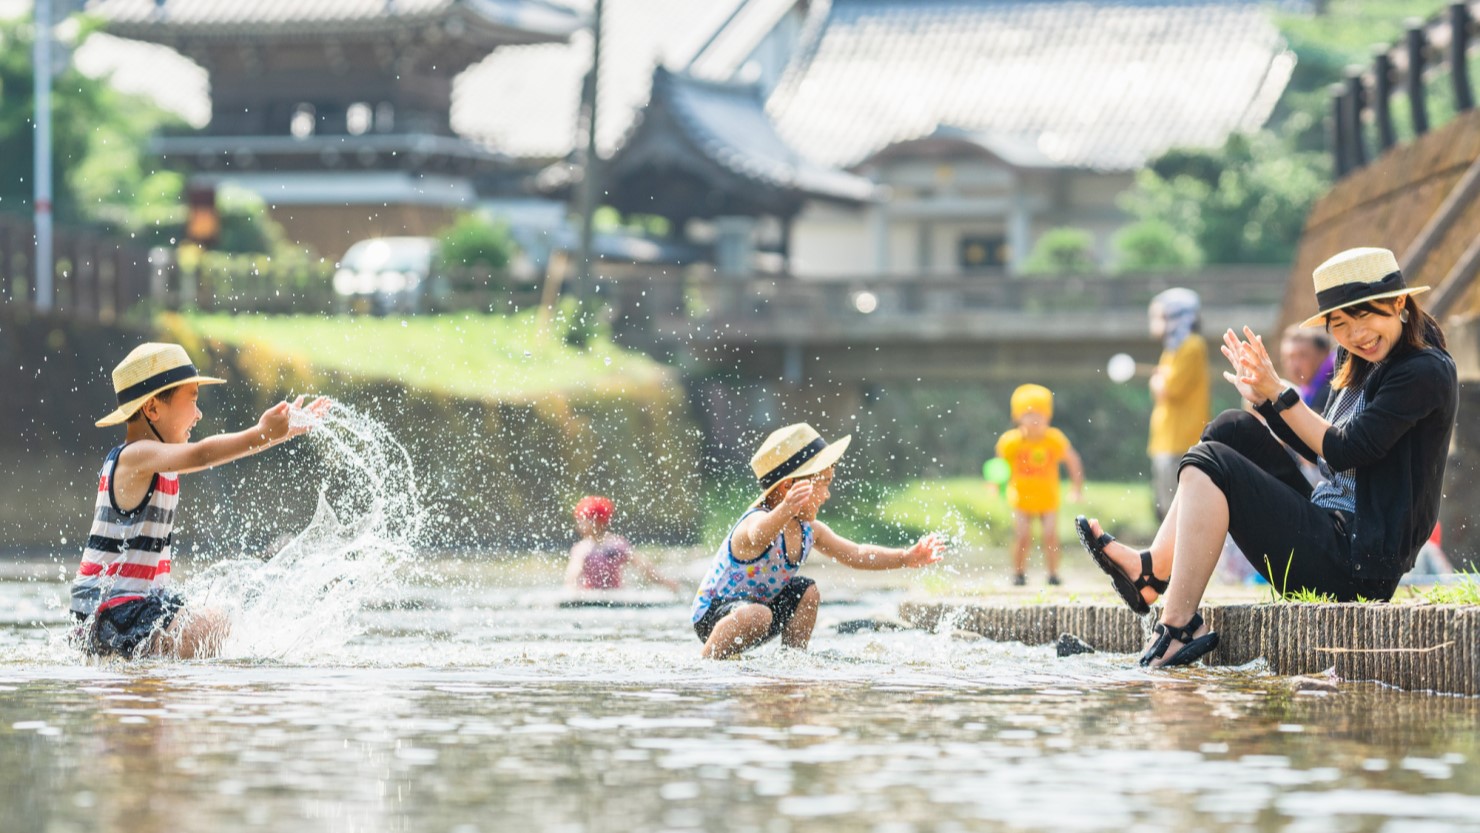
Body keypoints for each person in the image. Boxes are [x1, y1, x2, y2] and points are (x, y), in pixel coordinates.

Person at [1076, 247, 1456, 668]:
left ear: (1399, 303)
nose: (1356, 335)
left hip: (1357, 565)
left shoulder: (1424, 370)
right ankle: (1152, 571)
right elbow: (1319, 449)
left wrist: (1280, 392)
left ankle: (1180, 624)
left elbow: (1350, 448)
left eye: (1366, 317)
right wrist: (1265, 402)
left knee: (1214, 463)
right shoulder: (1357, 359)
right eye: (1341, 325)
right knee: (1230, 428)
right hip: (1327, 524)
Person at [71, 342, 331, 659]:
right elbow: (203, 453)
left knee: (215, 623)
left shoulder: (155, 461)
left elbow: (203, 456)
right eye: (192, 400)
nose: (198, 413)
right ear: (152, 409)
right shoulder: (135, 455)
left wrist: (280, 434)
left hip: (135, 604)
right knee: (210, 627)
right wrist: (262, 432)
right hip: (111, 610)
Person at [692, 423, 945, 659]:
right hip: (716, 616)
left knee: (807, 592)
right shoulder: (756, 521)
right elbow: (758, 535)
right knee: (759, 614)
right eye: (823, 484)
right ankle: (705, 666)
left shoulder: (809, 530)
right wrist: (786, 509)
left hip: (761, 613)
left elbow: (856, 553)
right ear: (787, 488)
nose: (827, 495)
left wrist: (905, 558)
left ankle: (793, 660)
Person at [995, 384, 1085, 586]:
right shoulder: (1010, 442)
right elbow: (998, 466)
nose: (1035, 419)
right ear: (1017, 416)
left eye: (1040, 414)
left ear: (1048, 416)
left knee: (1050, 535)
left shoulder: (1054, 439)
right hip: (1020, 497)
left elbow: (1073, 461)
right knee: (1022, 535)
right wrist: (996, 485)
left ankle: (1053, 574)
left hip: (1048, 497)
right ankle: (1018, 573)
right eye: (1028, 414)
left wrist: (1076, 488)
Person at [1146, 288, 1212, 522]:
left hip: (1181, 441)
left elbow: (1168, 389)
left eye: (1161, 316)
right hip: (1167, 440)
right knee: (1166, 509)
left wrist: (1156, 380)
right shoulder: (1173, 349)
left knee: (1177, 512)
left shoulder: (1191, 346)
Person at [563, 495, 680, 592]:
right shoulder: (582, 549)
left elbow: (644, 567)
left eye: (583, 521)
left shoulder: (617, 546)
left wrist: (666, 583)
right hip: (592, 596)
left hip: (616, 595)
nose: (579, 526)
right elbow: (572, 577)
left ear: (598, 522)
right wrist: (570, 591)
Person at [1280, 326, 1335, 412]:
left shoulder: (1334, 390)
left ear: (1323, 354)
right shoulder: (1307, 390)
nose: (1295, 365)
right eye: (1289, 357)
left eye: (1303, 355)